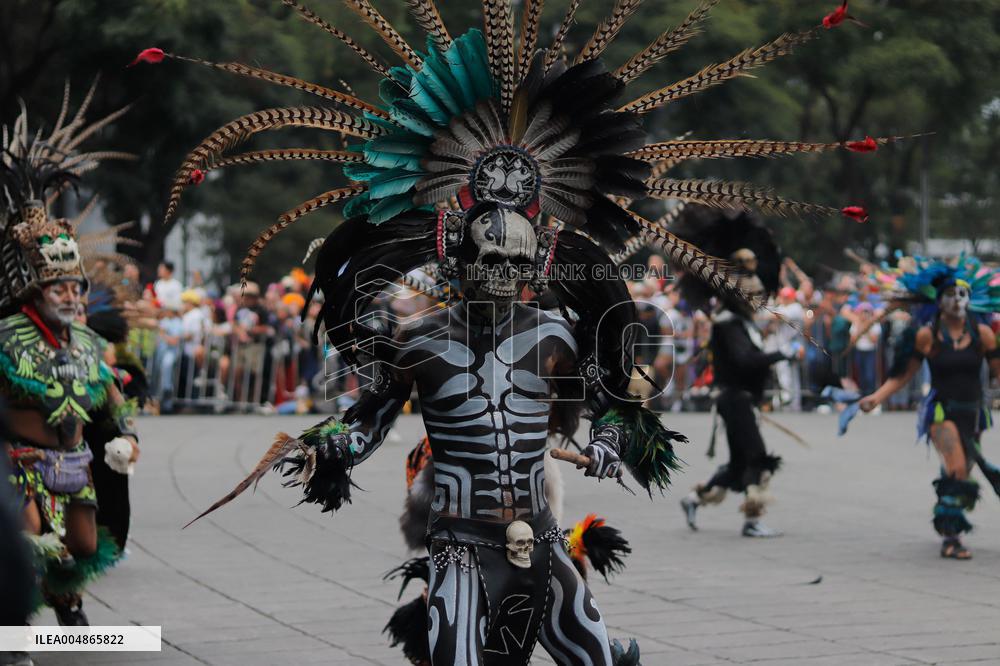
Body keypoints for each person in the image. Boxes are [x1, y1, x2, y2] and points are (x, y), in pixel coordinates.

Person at [142, 0, 893, 661]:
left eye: (515, 258)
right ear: (456, 257)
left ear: (538, 258)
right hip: (459, 545)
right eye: (487, 257)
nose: (501, 271)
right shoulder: (421, 343)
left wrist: (607, 438)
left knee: (599, 656)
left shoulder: (554, 338)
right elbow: (366, 419)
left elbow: (606, 395)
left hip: (542, 531)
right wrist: (327, 449)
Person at [1, 96, 139, 630]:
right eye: (58, 286)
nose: (69, 295)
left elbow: (108, 396)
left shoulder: (84, 340)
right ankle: (16, 625)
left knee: (82, 546)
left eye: (73, 286)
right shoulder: (5, 334)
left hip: (75, 462)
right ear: (36, 289)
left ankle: (67, 601)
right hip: (20, 460)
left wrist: (127, 437)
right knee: (36, 543)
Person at [859, 258, 1000, 559]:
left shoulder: (983, 334)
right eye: (951, 294)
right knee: (957, 469)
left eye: (962, 294)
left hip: (973, 414)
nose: (957, 300)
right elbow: (903, 375)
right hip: (941, 412)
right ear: (939, 300)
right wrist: (876, 397)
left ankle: (950, 520)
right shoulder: (927, 335)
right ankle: (952, 537)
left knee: (959, 472)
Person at [672, 207, 793, 537]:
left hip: (739, 400)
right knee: (758, 459)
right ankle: (753, 520)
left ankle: (694, 498)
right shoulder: (728, 324)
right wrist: (779, 354)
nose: (756, 298)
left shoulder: (739, 323)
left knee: (740, 464)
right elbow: (743, 361)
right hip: (734, 400)